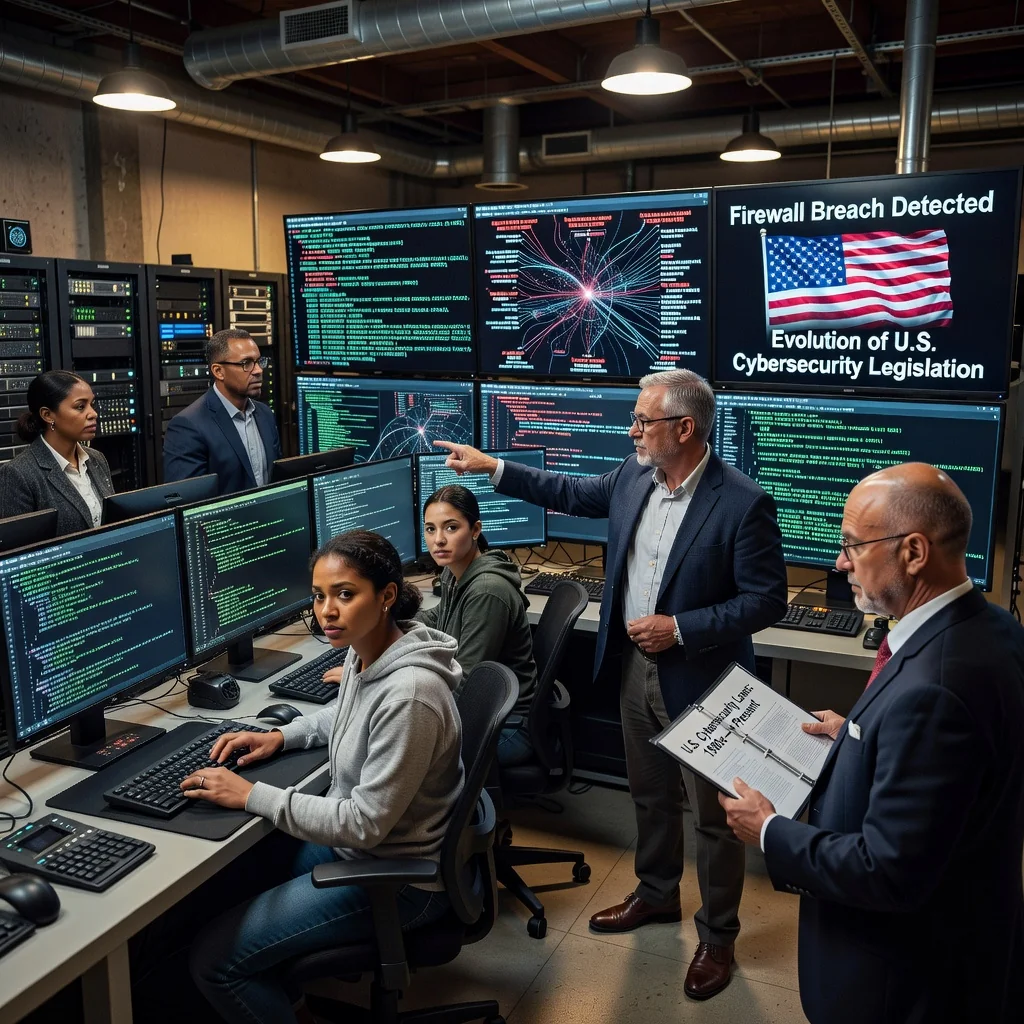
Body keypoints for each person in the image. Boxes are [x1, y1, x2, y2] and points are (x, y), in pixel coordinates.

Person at [436, 369, 788, 999]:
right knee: (650, 796)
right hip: (634, 669)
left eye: (643, 421)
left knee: (713, 820)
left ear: (685, 428)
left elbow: (766, 600)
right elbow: (569, 491)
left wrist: (681, 628)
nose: (632, 431)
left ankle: (717, 937)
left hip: (704, 680)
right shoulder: (633, 476)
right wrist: (494, 468)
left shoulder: (741, 500)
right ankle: (657, 894)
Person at [720, 463, 1024, 1024]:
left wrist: (768, 829)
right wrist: (856, 735)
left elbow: (887, 871)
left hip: (901, 982)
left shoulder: (934, 690)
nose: (840, 563)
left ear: (914, 552)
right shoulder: (996, 628)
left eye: (853, 546)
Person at [182, 530, 464, 1024]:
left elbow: (364, 824)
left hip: (397, 879)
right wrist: (281, 736)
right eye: (318, 596)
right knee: (223, 887)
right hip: (366, 851)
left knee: (215, 964)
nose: (326, 612)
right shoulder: (371, 649)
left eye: (344, 594)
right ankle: (288, 999)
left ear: (387, 596)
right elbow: (348, 714)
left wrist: (252, 795)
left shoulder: (411, 695)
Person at [417, 483, 538, 766]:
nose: (438, 540)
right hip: (485, 713)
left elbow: (466, 685)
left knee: (401, 749)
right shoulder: (455, 572)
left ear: (475, 530)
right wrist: (380, 632)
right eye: (430, 529)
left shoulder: (487, 591)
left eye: (451, 528)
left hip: (504, 727)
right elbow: (436, 619)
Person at [163, 328, 281, 496]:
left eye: (259, 361)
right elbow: (187, 500)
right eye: (246, 363)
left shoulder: (265, 414)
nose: (258, 370)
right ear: (218, 371)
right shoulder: (188, 426)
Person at [0, 369, 113, 535]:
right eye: (80, 407)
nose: (93, 414)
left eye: (92, 404)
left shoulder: (97, 459)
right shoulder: (18, 474)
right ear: (47, 415)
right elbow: (18, 546)